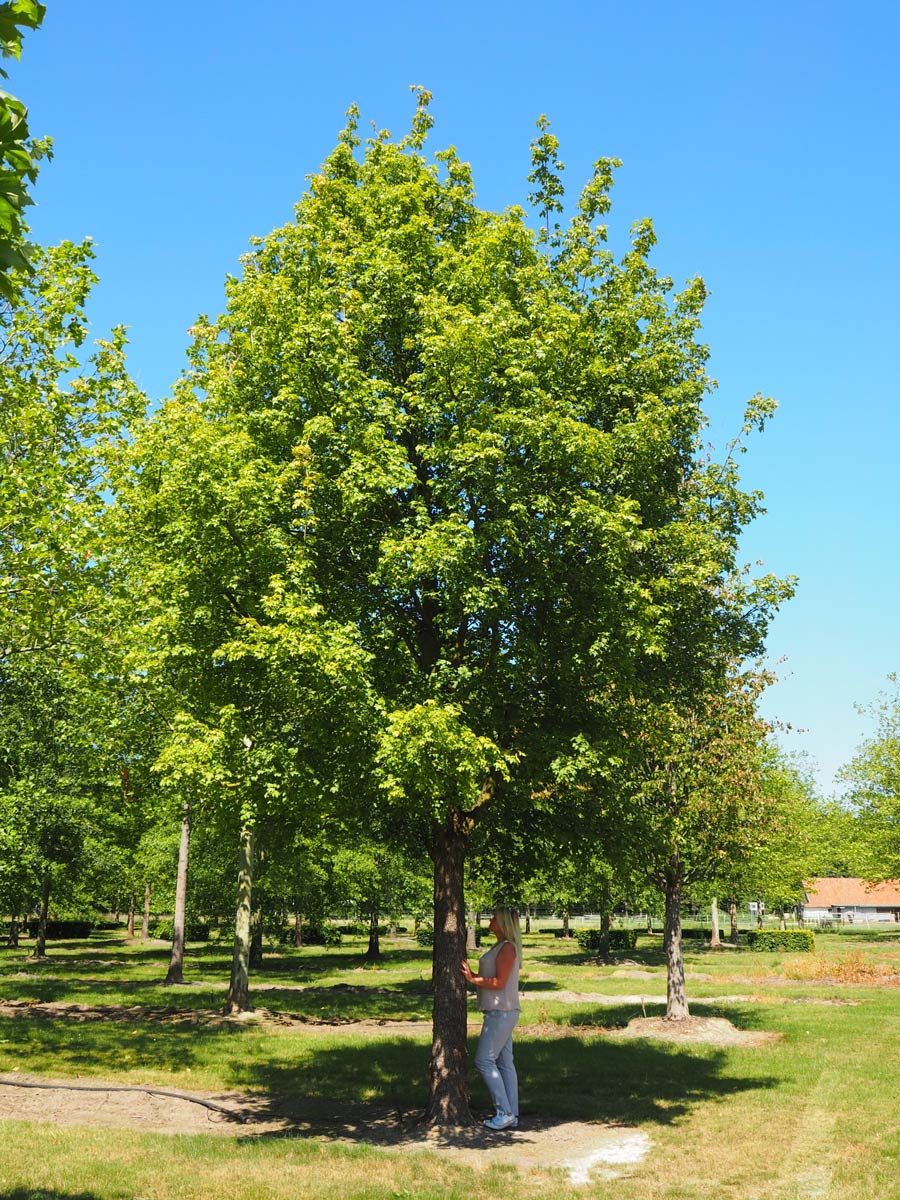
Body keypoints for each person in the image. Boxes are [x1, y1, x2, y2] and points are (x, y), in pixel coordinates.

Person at [461, 907, 521, 1131]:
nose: (491, 920)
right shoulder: (500, 946)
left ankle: (503, 1112)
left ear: (504, 923)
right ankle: (511, 1114)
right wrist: (475, 978)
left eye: (495, 918)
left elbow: (499, 983)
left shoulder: (507, 948)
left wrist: (472, 979)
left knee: (484, 1061)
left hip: (501, 1013)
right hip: (501, 1012)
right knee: (505, 1064)